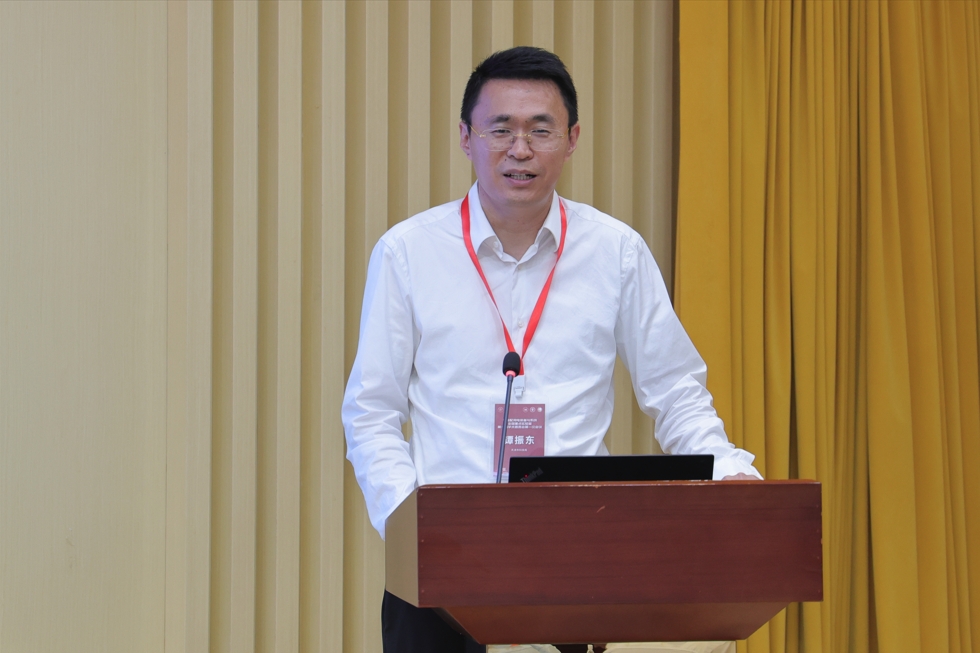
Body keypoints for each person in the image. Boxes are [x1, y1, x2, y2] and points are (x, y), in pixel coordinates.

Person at [342, 46, 762, 653]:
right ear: (465, 138)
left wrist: (728, 472)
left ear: (572, 140)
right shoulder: (408, 253)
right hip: (441, 565)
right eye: (500, 129)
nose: (520, 149)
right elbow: (371, 410)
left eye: (541, 130)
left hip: (575, 559)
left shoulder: (615, 252)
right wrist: (411, 524)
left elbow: (675, 391)